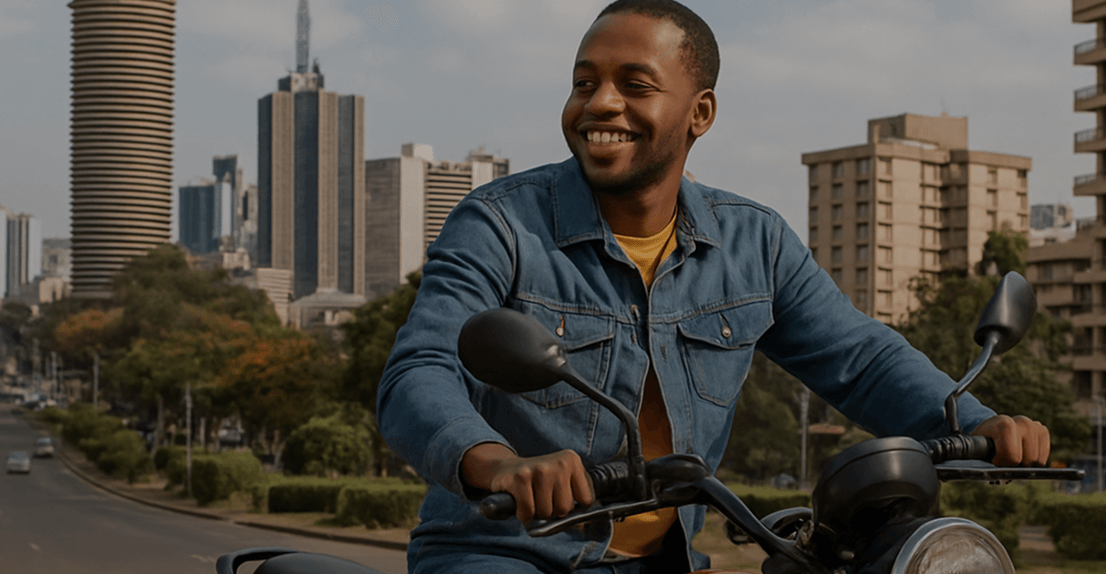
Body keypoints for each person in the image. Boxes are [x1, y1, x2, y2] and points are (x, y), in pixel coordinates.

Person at [376, 1, 1051, 572]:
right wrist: (496, 464)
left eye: (634, 85)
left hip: (669, 558)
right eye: (585, 83)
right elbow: (419, 370)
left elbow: (861, 358)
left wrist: (979, 422)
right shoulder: (499, 224)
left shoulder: (754, 243)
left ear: (699, 113)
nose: (600, 103)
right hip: (501, 553)